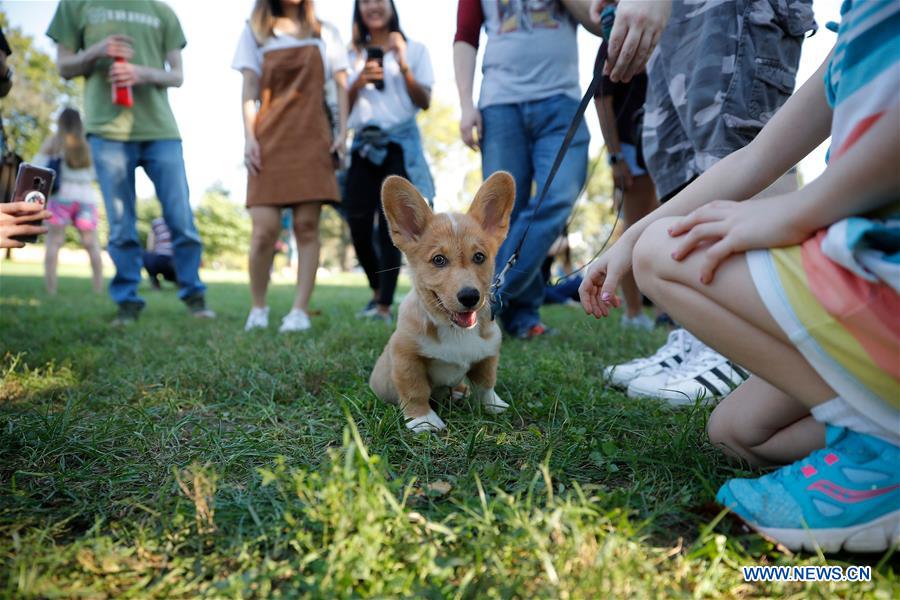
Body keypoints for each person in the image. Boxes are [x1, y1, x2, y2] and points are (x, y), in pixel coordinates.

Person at [582, 1, 899, 552]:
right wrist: (628, 240)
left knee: (667, 254)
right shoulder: (853, 37)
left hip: (881, 271)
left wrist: (795, 212)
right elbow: (753, 159)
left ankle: (882, 445)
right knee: (737, 433)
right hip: (871, 283)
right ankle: (873, 437)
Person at [593, 0, 814, 400]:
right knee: (675, 158)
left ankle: (749, 342)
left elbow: (758, 159)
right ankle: (699, 333)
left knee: (735, 138)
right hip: (677, 23)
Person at [47, 0, 214, 325]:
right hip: (106, 131)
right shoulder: (76, 5)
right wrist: (94, 52)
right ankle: (127, 303)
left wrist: (142, 72)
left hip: (161, 130)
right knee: (122, 224)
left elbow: (177, 75)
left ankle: (195, 296)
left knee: (181, 219)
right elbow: (64, 66)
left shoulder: (161, 11)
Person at [454, 0, 602, 340]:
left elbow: (598, 24)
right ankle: (523, 318)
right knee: (506, 215)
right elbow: (465, 35)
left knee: (558, 197)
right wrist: (466, 105)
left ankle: (487, 301)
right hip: (500, 105)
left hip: (561, 102)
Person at [233, 0, 349, 333]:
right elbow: (248, 91)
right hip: (268, 140)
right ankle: (258, 307)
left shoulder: (326, 32)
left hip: (313, 139)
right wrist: (249, 138)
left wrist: (342, 133)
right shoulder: (255, 31)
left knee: (307, 227)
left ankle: (298, 311)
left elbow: (341, 85)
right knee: (263, 231)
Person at [345, 0, 434, 325]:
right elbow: (342, 104)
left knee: (391, 227)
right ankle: (376, 288)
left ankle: (383, 305)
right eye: (365, 1)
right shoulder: (351, 53)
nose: (373, 6)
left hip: (399, 144)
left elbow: (424, 102)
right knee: (355, 221)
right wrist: (357, 81)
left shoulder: (415, 49)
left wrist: (404, 63)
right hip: (363, 145)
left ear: (391, 5)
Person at [592, 39, 655, 330]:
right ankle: (633, 312)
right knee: (635, 229)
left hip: (673, 138)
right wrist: (615, 156)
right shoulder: (615, 37)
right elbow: (601, 98)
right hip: (632, 145)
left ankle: (674, 313)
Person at [34, 108, 103, 295]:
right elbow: (96, 173)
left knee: (54, 243)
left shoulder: (53, 143)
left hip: (60, 197)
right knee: (92, 244)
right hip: (86, 198)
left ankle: (51, 289)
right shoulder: (88, 144)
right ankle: (98, 289)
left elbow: (37, 165)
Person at [143, 216, 175, 289]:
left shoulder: (157, 222)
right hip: (175, 262)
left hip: (161, 260)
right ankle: (182, 282)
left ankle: (154, 282)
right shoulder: (182, 220)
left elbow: (150, 247)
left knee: (146, 255)